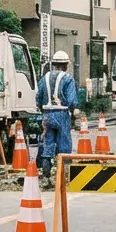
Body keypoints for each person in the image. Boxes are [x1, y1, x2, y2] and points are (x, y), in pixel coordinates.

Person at [35, 50, 78, 189]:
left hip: (47, 114)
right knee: (64, 146)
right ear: (65, 65)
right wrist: (73, 111)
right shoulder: (68, 78)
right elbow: (72, 101)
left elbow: (38, 98)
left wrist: (44, 112)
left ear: (53, 64)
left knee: (48, 146)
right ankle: (64, 178)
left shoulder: (44, 78)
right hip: (62, 114)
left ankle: (46, 177)